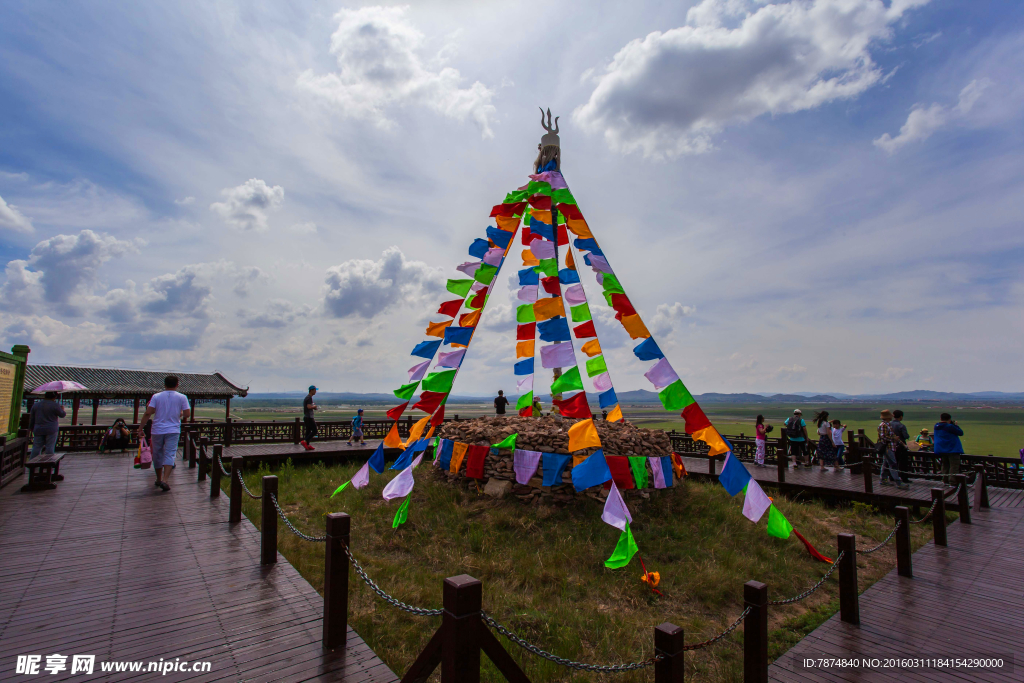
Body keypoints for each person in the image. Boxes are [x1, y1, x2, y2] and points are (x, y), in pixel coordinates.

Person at [138, 376, 190, 492]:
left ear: (164, 384)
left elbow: (148, 413)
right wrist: (179, 413)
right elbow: (187, 414)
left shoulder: (156, 397)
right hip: (173, 430)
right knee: (170, 454)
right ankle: (165, 480)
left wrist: (140, 428)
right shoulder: (182, 397)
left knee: (157, 454)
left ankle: (158, 478)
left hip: (157, 430)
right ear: (177, 384)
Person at [28, 391, 66, 459]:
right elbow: (62, 415)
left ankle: (32, 462)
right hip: (51, 428)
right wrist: (62, 409)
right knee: (50, 447)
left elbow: (32, 418)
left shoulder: (36, 405)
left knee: (36, 447)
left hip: (38, 428)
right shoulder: (55, 405)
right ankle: (48, 462)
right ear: (55, 397)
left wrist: (31, 427)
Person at [877, 409, 907, 489]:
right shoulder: (883, 425)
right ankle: (898, 482)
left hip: (891, 447)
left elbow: (893, 435)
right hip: (887, 447)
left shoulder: (888, 425)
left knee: (886, 463)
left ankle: (883, 479)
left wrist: (901, 443)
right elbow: (883, 437)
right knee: (893, 464)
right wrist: (894, 439)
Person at [933, 413, 964, 484]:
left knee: (945, 465)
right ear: (949, 419)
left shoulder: (936, 426)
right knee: (954, 466)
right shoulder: (949, 427)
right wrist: (955, 425)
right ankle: (952, 481)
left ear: (941, 418)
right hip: (952, 449)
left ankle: (945, 479)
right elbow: (960, 433)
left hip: (942, 449)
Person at [891, 409, 912, 480]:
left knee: (893, 462)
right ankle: (904, 477)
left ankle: (892, 477)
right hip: (901, 446)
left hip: (891, 445)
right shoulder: (901, 426)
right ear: (901, 417)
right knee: (903, 463)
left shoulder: (889, 424)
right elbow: (906, 436)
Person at [300, 385, 318, 451]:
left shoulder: (308, 398)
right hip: (309, 417)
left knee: (308, 431)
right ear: (311, 390)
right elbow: (308, 407)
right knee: (315, 430)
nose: (315, 391)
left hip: (306, 417)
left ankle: (307, 445)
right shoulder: (309, 398)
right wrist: (314, 407)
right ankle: (305, 441)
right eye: (315, 390)